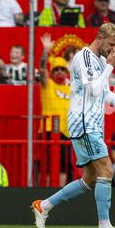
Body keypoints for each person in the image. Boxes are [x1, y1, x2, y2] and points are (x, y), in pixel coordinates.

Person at [31, 23, 115, 228]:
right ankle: (104, 227)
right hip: (84, 124)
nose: (113, 51)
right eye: (111, 45)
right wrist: (111, 67)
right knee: (107, 171)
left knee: (91, 179)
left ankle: (44, 206)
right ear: (100, 37)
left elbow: (105, 94)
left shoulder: (100, 60)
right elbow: (93, 90)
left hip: (92, 124)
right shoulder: (83, 57)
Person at [38, 33, 71, 186]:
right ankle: (46, 196)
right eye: (56, 69)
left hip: (66, 133)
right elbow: (42, 68)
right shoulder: (48, 84)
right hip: (49, 130)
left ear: (66, 72)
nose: (59, 71)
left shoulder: (72, 88)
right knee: (48, 167)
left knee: (64, 167)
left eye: (62, 69)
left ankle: (61, 196)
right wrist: (46, 51)